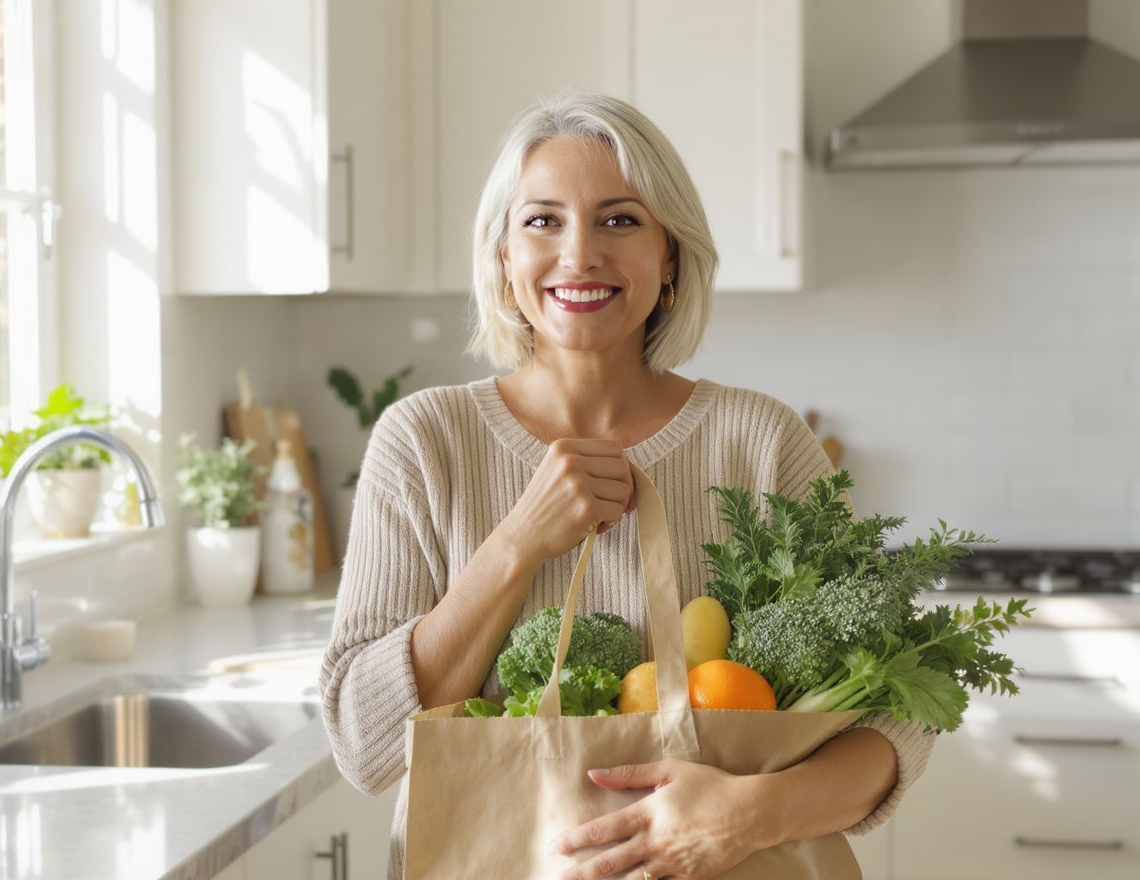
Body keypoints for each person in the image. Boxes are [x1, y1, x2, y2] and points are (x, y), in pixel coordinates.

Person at [320, 93, 935, 880]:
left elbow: (904, 714)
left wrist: (749, 815)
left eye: (619, 220)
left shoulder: (763, 442)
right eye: (542, 221)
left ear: (670, 256)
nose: (579, 256)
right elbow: (364, 745)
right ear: (503, 257)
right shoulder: (424, 444)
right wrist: (517, 542)